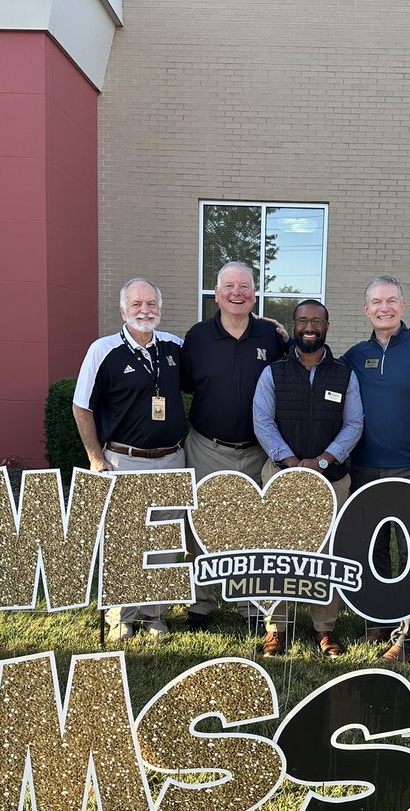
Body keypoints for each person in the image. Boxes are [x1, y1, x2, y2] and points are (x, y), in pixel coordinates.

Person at [72, 277, 186, 643]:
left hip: (171, 459)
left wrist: (269, 327)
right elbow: (81, 407)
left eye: (151, 304)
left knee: (164, 542)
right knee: (125, 541)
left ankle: (155, 615)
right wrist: (94, 457)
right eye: (136, 304)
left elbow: (217, 353)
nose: (144, 310)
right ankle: (121, 616)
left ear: (160, 308)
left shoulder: (174, 346)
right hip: (124, 460)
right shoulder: (102, 350)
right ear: (122, 310)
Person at [342, 275, 410, 663]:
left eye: (391, 301)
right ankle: (379, 619)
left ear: (403, 307)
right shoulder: (355, 355)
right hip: (365, 468)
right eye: (376, 302)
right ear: (366, 309)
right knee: (374, 550)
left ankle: (409, 638)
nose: (383, 308)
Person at [251, 300, 364, 657]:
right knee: (277, 554)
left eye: (316, 321)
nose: (309, 327)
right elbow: (263, 421)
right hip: (282, 474)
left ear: (327, 326)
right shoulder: (273, 372)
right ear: (294, 326)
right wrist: (292, 461)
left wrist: (325, 460)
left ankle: (324, 630)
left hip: (332, 479)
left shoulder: (345, 375)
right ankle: (276, 630)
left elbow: (354, 423)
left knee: (325, 554)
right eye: (302, 321)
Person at [180, 261, 286, 629]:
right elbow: (186, 386)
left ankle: (251, 605)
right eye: (229, 286)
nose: (237, 292)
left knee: (255, 529)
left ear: (255, 293)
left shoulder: (272, 337)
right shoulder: (196, 337)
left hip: (260, 449)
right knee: (200, 525)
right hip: (207, 446)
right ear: (216, 293)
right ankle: (201, 603)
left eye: (244, 286)